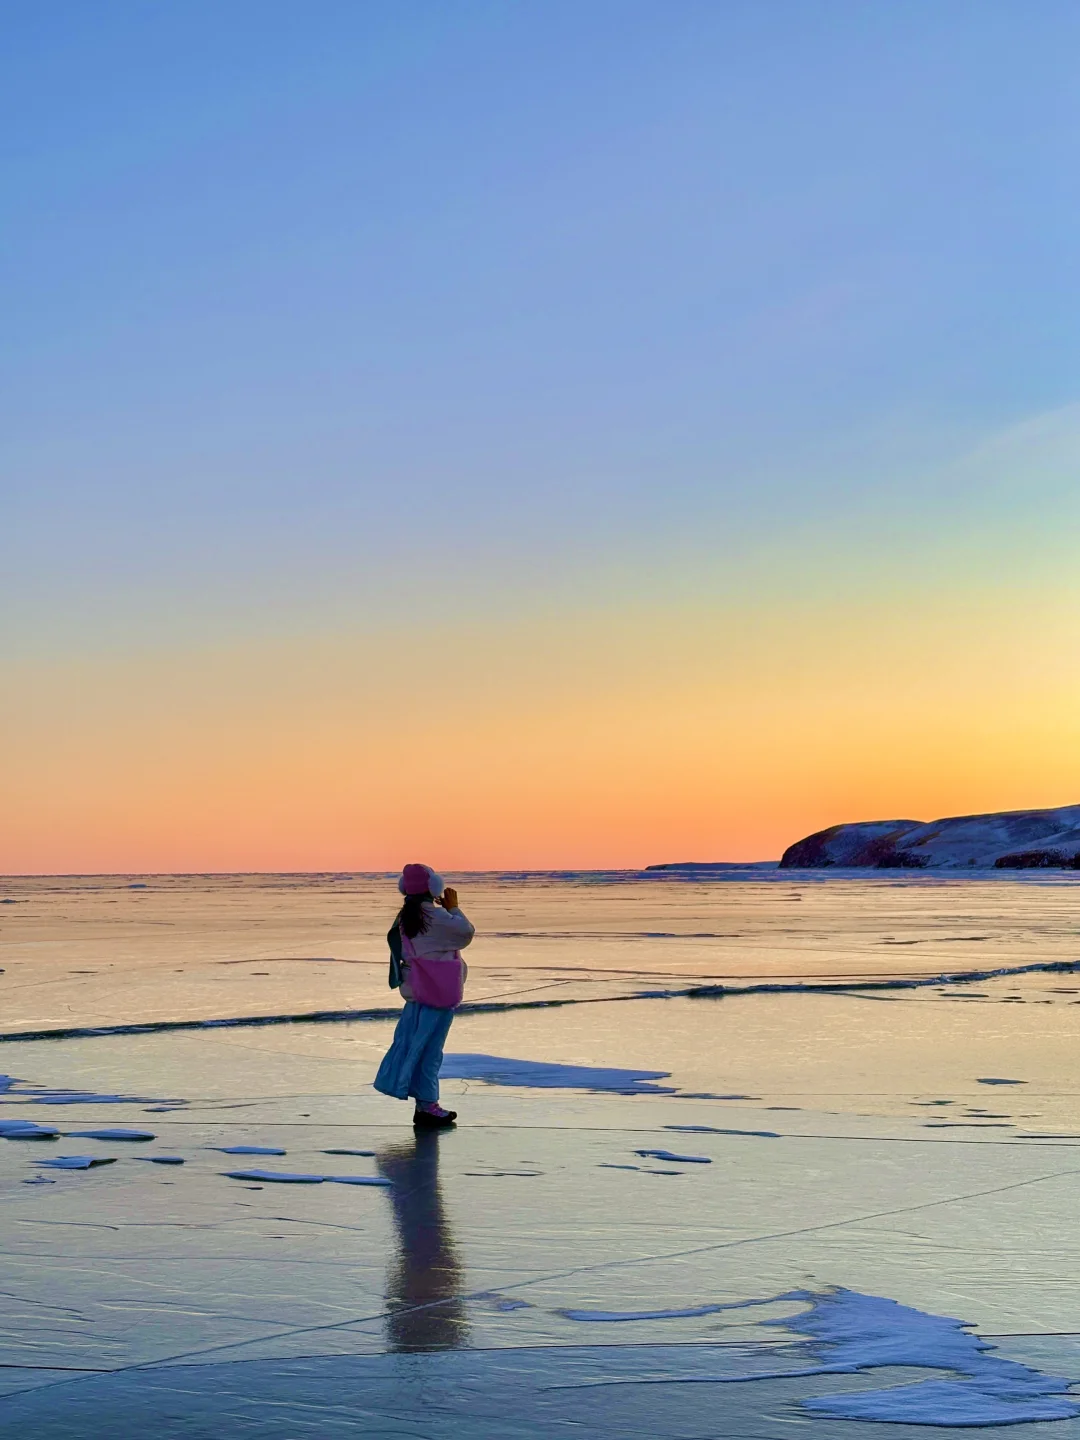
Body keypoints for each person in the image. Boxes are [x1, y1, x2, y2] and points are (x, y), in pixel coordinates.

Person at [374, 864, 474, 1128]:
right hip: (438, 991)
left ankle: (424, 1104)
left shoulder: (407, 917)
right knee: (430, 1051)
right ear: (434, 887)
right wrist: (453, 907)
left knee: (416, 1045)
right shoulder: (435, 917)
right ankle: (428, 1106)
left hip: (418, 990)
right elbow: (465, 933)